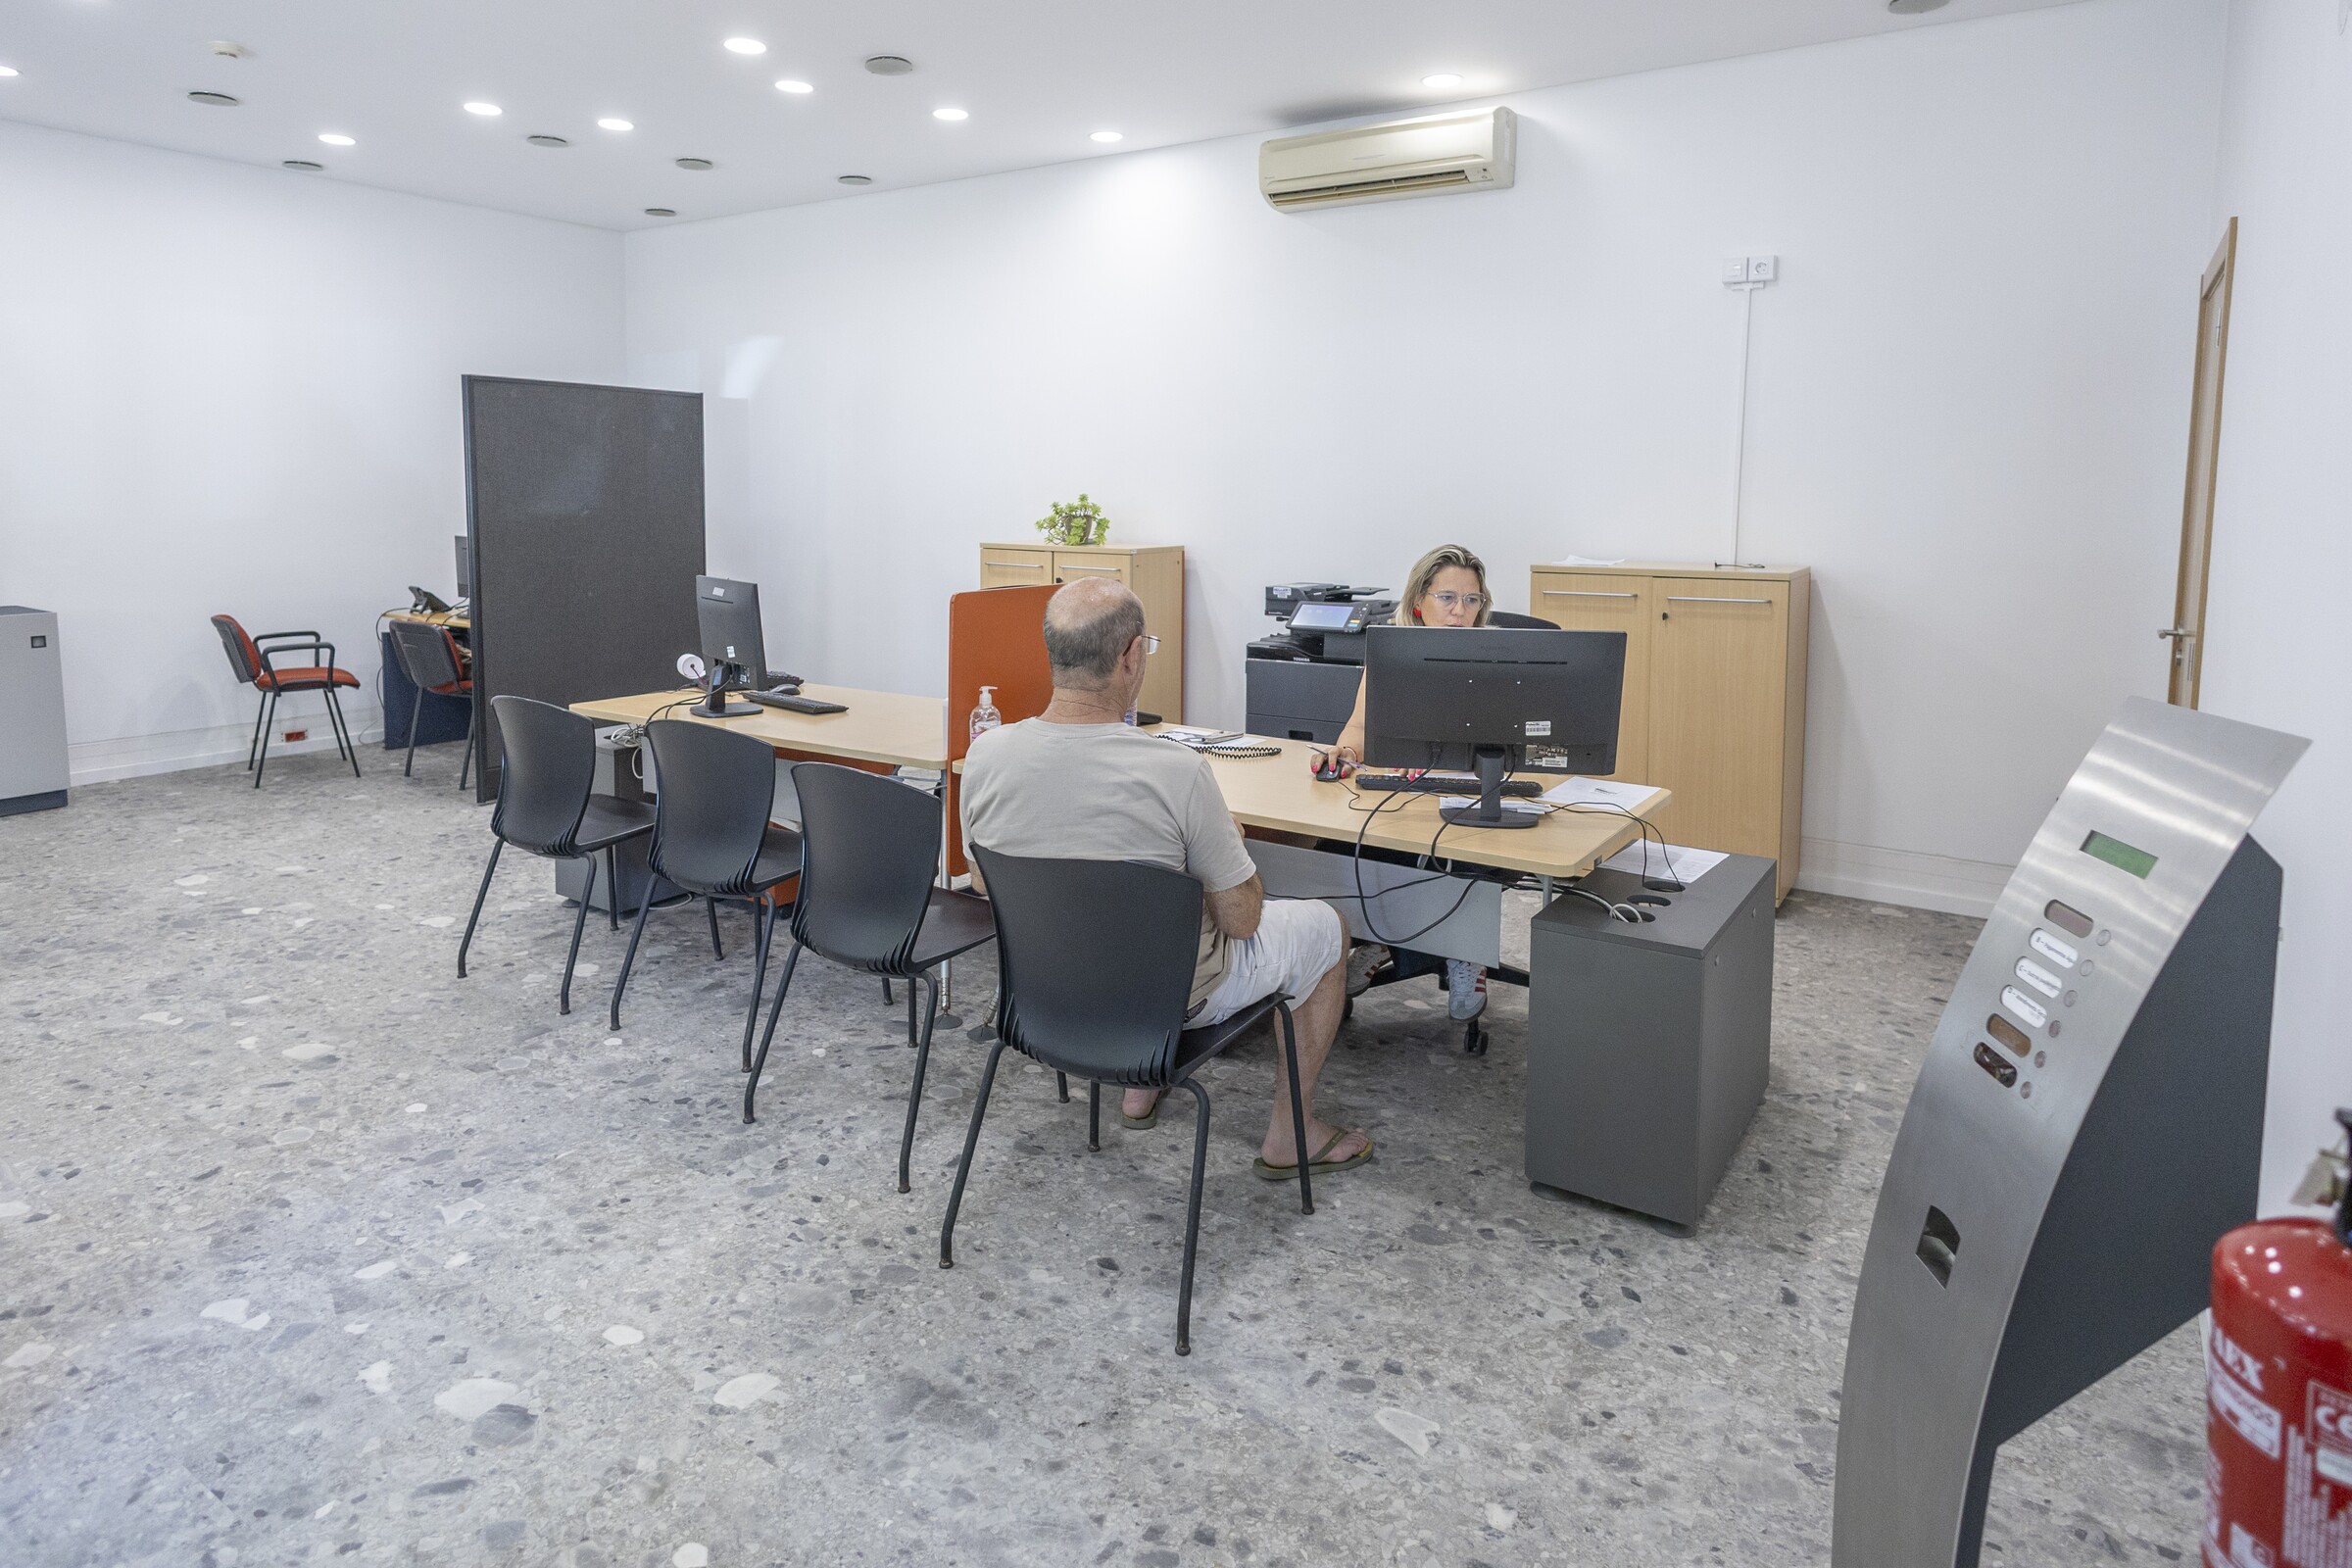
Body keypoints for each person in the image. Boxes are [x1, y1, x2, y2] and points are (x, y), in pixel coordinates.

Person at [960, 577, 1374, 1180]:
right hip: (1167, 1005)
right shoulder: (1177, 772)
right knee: (1328, 928)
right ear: (1132, 656)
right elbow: (1243, 921)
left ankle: (1140, 1090)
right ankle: (1292, 1135)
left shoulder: (985, 755)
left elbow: (981, 883)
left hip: (1040, 998)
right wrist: (1223, 846)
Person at [1314, 542, 1496, 1022]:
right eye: (1447, 598)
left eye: (1471, 600)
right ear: (1419, 601)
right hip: (1404, 796)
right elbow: (1359, 727)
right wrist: (1346, 753)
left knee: (1464, 843)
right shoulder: (1391, 656)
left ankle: (1466, 950)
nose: (1460, 611)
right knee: (1351, 841)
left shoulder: (1496, 660)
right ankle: (1378, 937)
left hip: (1468, 798)